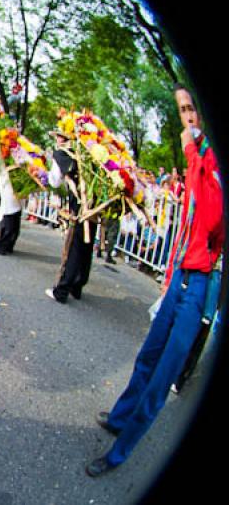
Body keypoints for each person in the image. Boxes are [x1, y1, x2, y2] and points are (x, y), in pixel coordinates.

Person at [85, 84, 224, 477]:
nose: (188, 117)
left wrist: (192, 153)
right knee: (147, 358)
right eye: (182, 110)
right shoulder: (203, 154)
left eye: (191, 109)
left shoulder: (207, 159)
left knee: (162, 377)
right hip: (181, 273)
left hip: (200, 285)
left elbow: (212, 218)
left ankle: (118, 454)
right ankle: (118, 418)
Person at [44, 131, 95, 303]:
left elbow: (55, 181)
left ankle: (62, 290)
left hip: (81, 206)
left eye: (58, 136)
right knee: (86, 247)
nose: (57, 139)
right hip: (94, 205)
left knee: (75, 247)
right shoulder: (89, 153)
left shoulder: (63, 154)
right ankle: (77, 286)